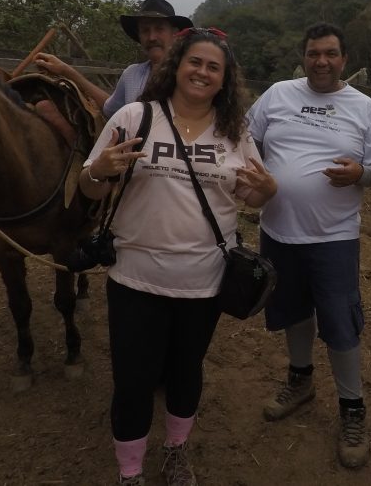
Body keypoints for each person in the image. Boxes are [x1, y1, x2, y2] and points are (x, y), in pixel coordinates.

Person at [80, 28, 277, 486]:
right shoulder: (134, 117)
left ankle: (175, 450)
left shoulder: (235, 132)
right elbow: (89, 188)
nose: (202, 72)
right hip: (134, 279)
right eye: (195, 62)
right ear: (177, 65)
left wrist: (267, 192)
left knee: (186, 372)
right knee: (132, 380)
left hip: (204, 281)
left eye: (214, 67)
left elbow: (249, 195)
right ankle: (130, 473)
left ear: (225, 80)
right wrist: (98, 171)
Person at [246, 22, 371, 468]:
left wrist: (360, 175)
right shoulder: (277, 95)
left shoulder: (363, 106)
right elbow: (246, 140)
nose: (322, 61)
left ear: (343, 58)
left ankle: (353, 407)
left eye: (330, 53)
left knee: (340, 322)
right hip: (278, 231)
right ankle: (301, 380)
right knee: (292, 310)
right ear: (304, 56)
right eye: (314, 53)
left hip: (334, 236)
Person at [36, 0, 193, 118]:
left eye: (159, 29)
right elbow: (110, 109)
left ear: (175, 34)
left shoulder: (190, 75)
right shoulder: (132, 74)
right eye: (145, 30)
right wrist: (66, 70)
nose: (152, 37)